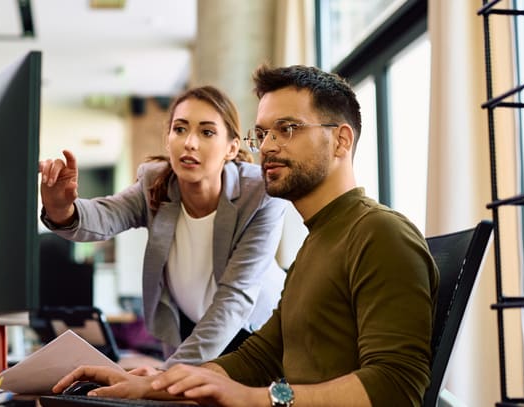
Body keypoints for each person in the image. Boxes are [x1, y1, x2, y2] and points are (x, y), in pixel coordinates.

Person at [51, 64, 439, 407]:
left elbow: (397, 387)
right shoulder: (314, 244)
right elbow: (260, 357)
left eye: (286, 129)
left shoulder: (380, 232)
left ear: (341, 140)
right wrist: (156, 384)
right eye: (264, 133)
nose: (268, 146)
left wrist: (260, 398)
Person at [38, 85, 287, 367]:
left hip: (255, 333)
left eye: (206, 132)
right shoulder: (156, 184)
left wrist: (167, 374)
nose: (189, 142)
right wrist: (61, 208)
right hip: (189, 330)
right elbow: (105, 216)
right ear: (168, 140)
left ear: (231, 148)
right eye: (180, 129)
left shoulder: (260, 194)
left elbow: (236, 297)